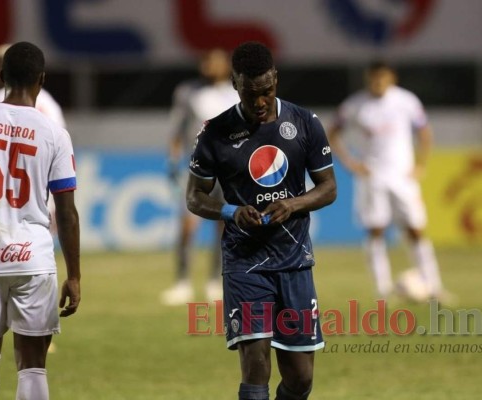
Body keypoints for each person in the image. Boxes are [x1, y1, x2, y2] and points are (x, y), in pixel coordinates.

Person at [187, 42, 336, 400]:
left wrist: (295, 203)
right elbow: (194, 196)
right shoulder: (215, 133)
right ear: (236, 85)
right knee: (256, 364)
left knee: (300, 379)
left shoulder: (304, 122)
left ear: (275, 81)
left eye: (267, 91)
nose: (260, 102)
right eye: (251, 93)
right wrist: (230, 211)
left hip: (294, 262)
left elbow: (328, 188)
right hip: (245, 263)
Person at [0, 42, 80, 399]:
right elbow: (66, 211)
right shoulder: (54, 133)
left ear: (1, 76)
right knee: (32, 365)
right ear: (42, 79)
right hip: (33, 259)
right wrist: (74, 275)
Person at [327, 60, 450, 302]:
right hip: (372, 177)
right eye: (373, 78)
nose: (378, 83)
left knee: (415, 229)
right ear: (367, 78)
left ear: (391, 78)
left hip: (402, 176)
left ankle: (434, 286)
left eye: (382, 78)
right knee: (376, 231)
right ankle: (382, 290)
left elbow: (424, 133)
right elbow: (332, 132)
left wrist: (421, 164)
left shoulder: (406, 101)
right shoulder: (355, 106)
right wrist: (350, 162)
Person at [160, 48, 239, 306]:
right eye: (208, 61)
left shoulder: (236, 93)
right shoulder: (188, 93)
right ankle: (182, 282)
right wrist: (173, 162)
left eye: (217, 61)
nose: (212, 66)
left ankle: (215, 281)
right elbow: (176, 129)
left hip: (228, 171)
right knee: (188, 226)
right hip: (197, 169)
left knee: (223, 226)